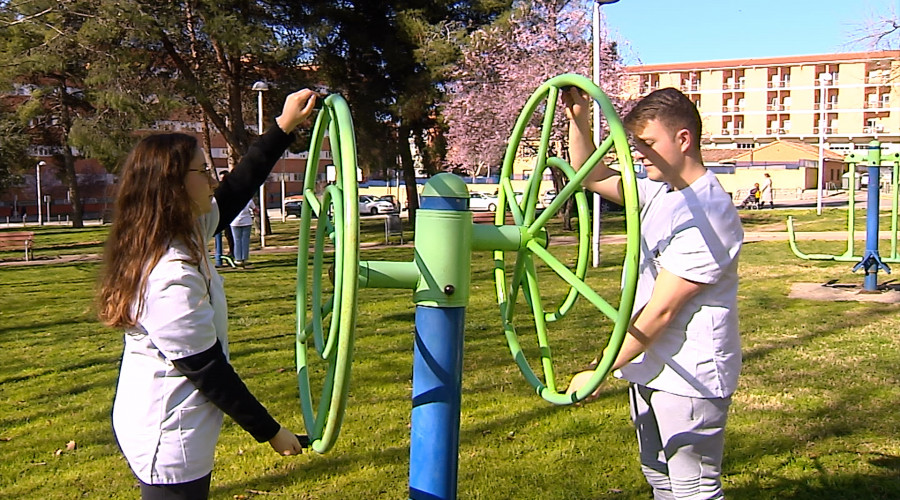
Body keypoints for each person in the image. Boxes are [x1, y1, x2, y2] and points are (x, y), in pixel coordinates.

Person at [97, 89, 318, 499]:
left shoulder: (180, 230)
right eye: (203, 171)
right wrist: (271, 432)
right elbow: (207, 370)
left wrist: (283, 128)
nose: (212, 179)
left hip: (177, 422)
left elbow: (234, 191)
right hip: (169, 433)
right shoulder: (167, 275)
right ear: (174, 186)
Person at [564, 86, 743, 500]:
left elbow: (661, 312)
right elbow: (592, 174)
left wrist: (600, 369)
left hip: (689, 374)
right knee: (658, 474)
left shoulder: (709, 213)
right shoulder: (662, 190)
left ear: (683, 139)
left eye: (647, 144)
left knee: (693, 488)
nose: (638, 154)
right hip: (650, 363)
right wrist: (579, 118)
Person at [214, 170, 237, 267]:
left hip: (231, 216)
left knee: (232, 237)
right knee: (227, 236)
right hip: (220, 216)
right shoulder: (218, 188)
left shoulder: (232, 188)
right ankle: (221, 256)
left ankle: (233, 253)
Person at [230, 198, 256, 268]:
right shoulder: (248, 199)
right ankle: (244, 258)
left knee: (237, 240)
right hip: (247, 221)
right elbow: (255, 209)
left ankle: (238, 259)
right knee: (245, 240)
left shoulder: (231, 200)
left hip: (234, 222)